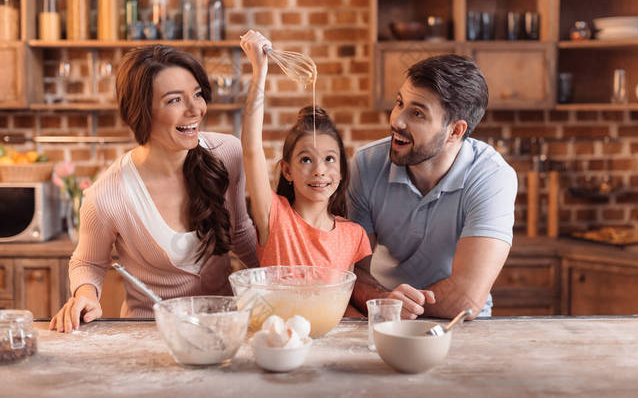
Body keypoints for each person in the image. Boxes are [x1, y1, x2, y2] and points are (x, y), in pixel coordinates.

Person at [50, 45, 258, 333]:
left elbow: (241, 232)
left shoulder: (228, 153)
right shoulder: (107, 196)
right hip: (148, 334)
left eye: (197, 94)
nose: (195, 109)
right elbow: (88, 262)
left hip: (221, 329)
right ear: (140, 111)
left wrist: (280, 280)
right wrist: (85, 297)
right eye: (174, 100)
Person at [347, 54, 517, 320]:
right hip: (385, 318)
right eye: (399, 103)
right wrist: (385, 302)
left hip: (458, 327)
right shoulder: (366, 164)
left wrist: (397, 306)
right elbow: (349, 271)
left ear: (455, 131)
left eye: (417, 113)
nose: (397, 121)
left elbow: (466, 297)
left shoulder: (492, 177)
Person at [239, 29, 371, 273]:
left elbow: (344, 299)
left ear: (341, 170)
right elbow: (251, 149)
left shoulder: (354, 235)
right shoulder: (274, 217)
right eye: (306, 159)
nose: (320, 170)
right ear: (287, 171)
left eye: (330, 159)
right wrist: (260, 70)